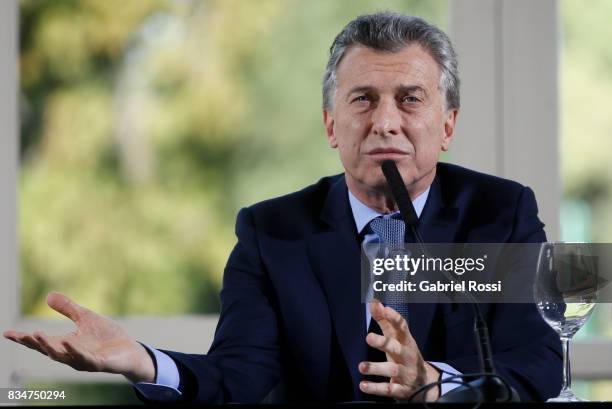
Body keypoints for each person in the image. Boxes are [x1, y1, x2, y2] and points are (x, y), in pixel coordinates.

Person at [4, 12, 562, 403]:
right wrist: (143, 362)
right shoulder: (272, 232)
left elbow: (535, 363)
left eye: (410, 100)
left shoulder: (501, 212)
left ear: (447, 125)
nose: (385, 121)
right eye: (362, 99)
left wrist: (435, 386)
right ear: (330, 125)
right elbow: (237, 376)